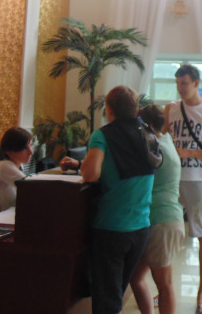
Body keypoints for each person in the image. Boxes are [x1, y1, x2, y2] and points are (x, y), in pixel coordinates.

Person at [59, 85, 158, 314]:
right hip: (141, 226)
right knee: (117, 292)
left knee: (107, 299)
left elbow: (91, 174)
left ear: (109, 109)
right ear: (136, 109)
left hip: (112, 227)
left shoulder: (103, 134)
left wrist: (83, 165)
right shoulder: (148, 133)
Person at [164, 64, 202, 314]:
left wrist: (190, 153)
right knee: (166, 233)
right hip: (171, 180)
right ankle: (164, 289)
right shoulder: (170, 108)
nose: (180, 88)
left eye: (185, 83)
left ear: (196, 83)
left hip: (198, 180)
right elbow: (162, 139)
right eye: (178, 83)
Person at [130, 104, 184, 314]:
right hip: (161, 220)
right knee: (135, 277)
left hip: (162, 221)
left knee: (164, 284)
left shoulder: (157, 148)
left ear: (150, 126)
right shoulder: (166, 140)